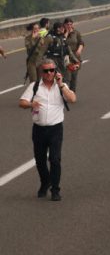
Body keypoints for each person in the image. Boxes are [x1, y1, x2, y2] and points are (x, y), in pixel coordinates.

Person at [19, 59, 77, 201]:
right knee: (40, 160)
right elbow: (22, 102)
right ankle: (45, 182)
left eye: (52, 70)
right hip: (38, 130)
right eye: (46, 71)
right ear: (41, 72)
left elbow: (73, 99)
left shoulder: (61, 86)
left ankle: (55, 189)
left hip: (55, 129)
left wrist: (62, 84)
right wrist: (31, 103)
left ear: (56, 71)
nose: (49, 73)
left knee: (55, 159)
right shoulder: (35, 86)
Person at [63, 18, 84, 92]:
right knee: (67, 78)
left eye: (70, 24)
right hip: (66, 59)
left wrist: (79, 49)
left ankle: (72, 92)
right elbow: (62, 42)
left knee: (74, 77)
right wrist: (66, 33)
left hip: (75, 58)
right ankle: (66, 94)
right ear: (64, 25)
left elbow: (81, 42)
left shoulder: (76, 33)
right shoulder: (62, 33)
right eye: (67, 24)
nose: (69, 26)